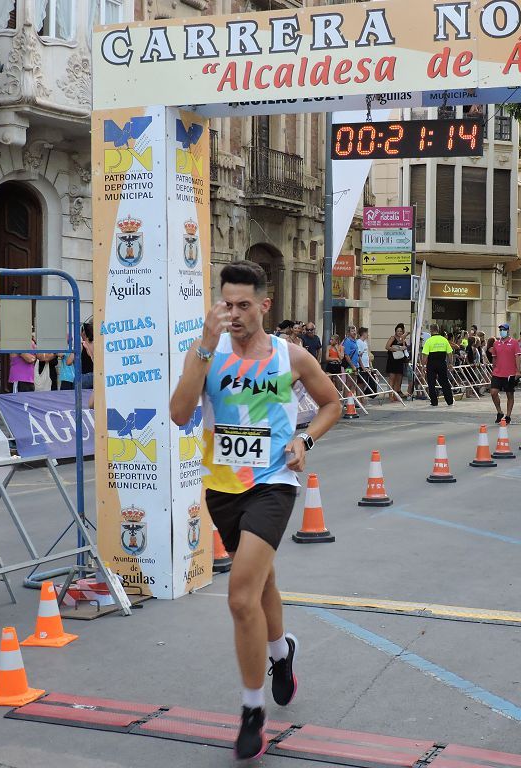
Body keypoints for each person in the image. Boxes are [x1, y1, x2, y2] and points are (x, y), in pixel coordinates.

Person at [168, 260, 341, 760]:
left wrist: (305, 438)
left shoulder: (291, 357)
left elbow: (332, 403)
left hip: (274, 484)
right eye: (227, 304)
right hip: (222, 488)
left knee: (241, 595)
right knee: (261, 583)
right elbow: (180, 415)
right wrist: (203, 345)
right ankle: (281, 653)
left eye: (245, 304)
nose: (235, 314)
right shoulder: (207, 353)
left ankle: (251, 710)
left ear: (265, 305)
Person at [488, 323, 521, 424]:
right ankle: (499, 412)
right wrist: (493, 370)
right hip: (498, 373)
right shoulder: (496, 343)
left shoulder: (514, 343)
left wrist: (518, 371)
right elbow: (494, 357)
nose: (502, 331)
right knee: (493, 392)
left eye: (504, 329)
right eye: (501, 330)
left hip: (510, 373)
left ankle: (508, 415)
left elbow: (518, 357)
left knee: (509, 394)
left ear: (508, 331)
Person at [421, 324, 454, 407]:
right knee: (444, 382)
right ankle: (449, 401)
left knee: (431, 383)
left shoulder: (429, 341)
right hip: (442, 362)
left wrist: (423, 366)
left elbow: (425, 355)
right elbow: (450, 353)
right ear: (438, 330)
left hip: (431, 363)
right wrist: (450, 363)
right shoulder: (444, 340)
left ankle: (434, 402)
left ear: (431, 330)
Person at [384, 323, 409, 401]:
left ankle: (396, 395)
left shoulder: (402, 339)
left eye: (401, 331)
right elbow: (387, 347)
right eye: (398, 331)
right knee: (392, 378)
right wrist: (397, 349)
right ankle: (390, 395)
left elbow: (404, 348)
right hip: (392, 360)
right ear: (395, 331)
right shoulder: (392, 338)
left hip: (400, 360)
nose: (399, 332)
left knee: (399, 378)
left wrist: (404, 346)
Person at [356, 327, 375, 396]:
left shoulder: (365, 342)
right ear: (363, 333)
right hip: (362, 365)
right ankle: (359, 397)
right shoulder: (359, 342)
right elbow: (359, 355)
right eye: (367, 333)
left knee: (365, 382)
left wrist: (370, 365)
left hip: (366, 364)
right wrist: (362, 366)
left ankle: (362, 396)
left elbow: (367, 355)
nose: (368, 335)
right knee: (360, 382)